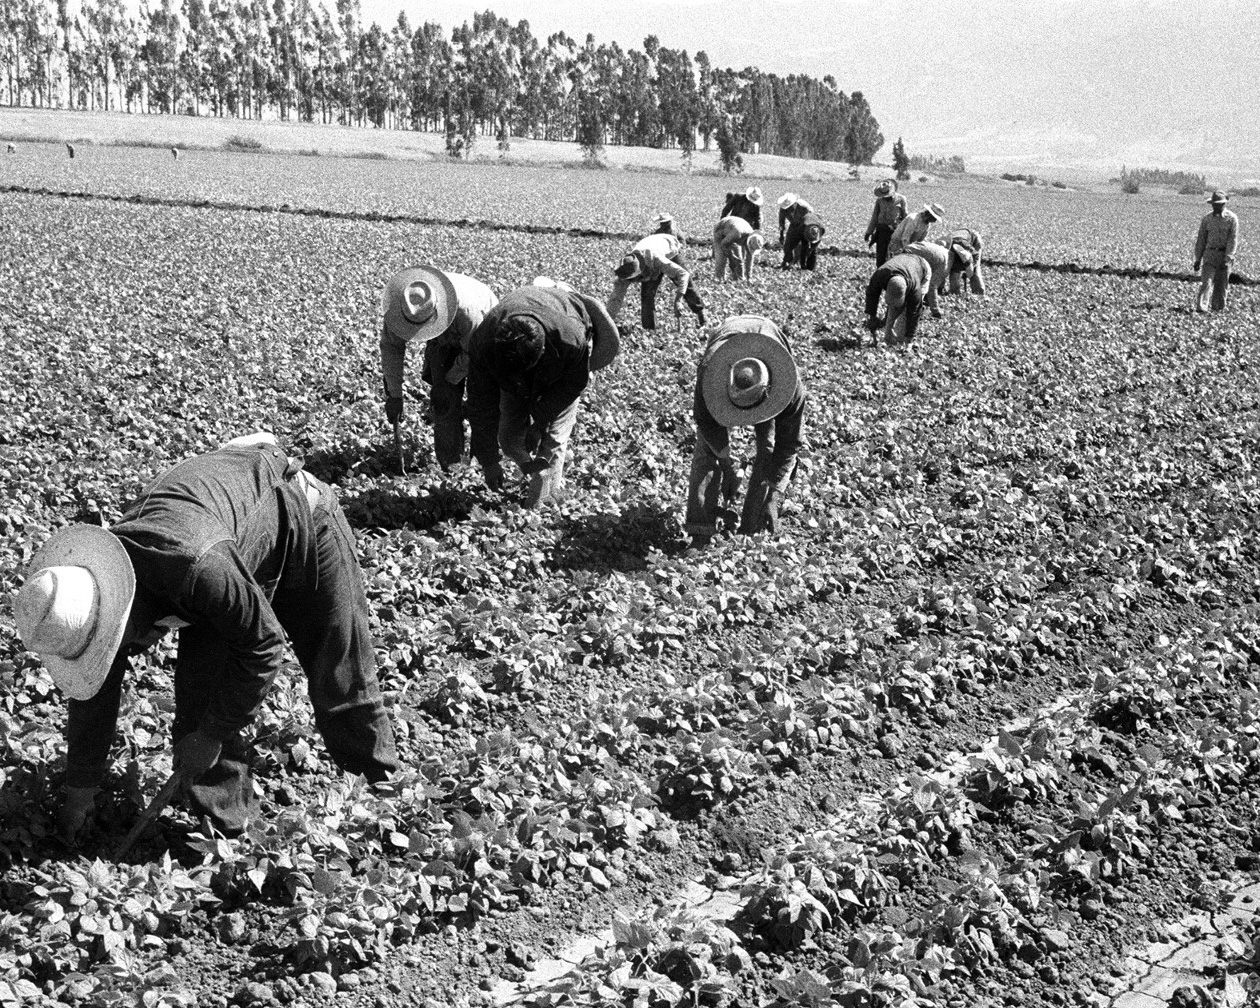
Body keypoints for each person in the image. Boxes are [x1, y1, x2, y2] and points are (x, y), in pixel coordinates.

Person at [14, 434, 400, 838]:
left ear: (123, 612)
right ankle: (229, 836)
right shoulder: (99, 589)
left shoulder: (195, 566)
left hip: (303, 520)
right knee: (203, 700)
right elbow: (94, 693)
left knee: (337, 671)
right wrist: (79, 795)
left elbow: (264, 646)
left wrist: (211, 735)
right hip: (236, 548)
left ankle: (383, 796)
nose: (111, 652)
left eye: (109, 643)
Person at [465, 285, 619, 508]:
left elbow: (572, 386)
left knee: (553, 441)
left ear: (543, 352)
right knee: (508, 438)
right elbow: (480, 405)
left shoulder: (570, 340)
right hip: (509, 372)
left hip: (561, 372)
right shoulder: (484, 343)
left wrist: (541, 422)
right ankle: (529, 469)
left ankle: (540, 507)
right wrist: (489, 462)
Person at [684, 316, 806, 544]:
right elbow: (707, 425)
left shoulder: (791, 390)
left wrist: (773, 496)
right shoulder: (711, 375)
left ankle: (751, 527)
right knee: (706, 452)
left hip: (768, 342)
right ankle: (700, 531)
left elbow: (789, 444)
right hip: (728, 338)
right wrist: (727, 464)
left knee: (768, 449)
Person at [380, 266, 498, 471]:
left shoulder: (469, 312)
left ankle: (483, 464)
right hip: (444, 340)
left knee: (480, 404)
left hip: (483, 338)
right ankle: (452, 467)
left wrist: (450, 379)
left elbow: (474, 353)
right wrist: (394, 395)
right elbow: (391, 348)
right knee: (443, 403)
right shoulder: (401, 308)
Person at [606, 230, 706, 330]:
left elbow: (683, 274)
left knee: (686, 285)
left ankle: (702, 316)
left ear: (639, 273)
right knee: (647, 295)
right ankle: (649, 329)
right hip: (649, 245)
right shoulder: (625, 269)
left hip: (669, 246)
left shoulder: (656, 260)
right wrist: (607, 321)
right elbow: (616, 298)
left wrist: (678, 300)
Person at [864, 252, 932, 343]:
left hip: (922, 267)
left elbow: (914, 312)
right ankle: (888, 338)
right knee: (894, 308)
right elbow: (872, 294)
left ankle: (902, 340)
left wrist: (910, 337)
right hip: (902, 261)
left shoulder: (915, 290)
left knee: (906, 314)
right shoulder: (880, 275)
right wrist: (872, 316)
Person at [1194, 191, 1239, 312]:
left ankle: (1217, 309)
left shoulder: (1232, 219)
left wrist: (1229, 256)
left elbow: (1232, 239)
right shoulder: (1207, 219)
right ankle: (1202, 308)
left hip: (1224, 255)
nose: (1216, 206)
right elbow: (1201, 239)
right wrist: (1198, 258)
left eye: (1219, 204)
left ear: (1224, 204)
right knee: (1206, 282)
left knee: (1221, 285)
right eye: (1214, 204)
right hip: (1209, 254)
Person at [864, 180, 908, 266]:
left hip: (895, 232)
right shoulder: (879, 201)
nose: (885, 197)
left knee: (892, 256)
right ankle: (880, 275)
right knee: (880, 257)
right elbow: (875, 217)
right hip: (881, 231)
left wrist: (905, 233)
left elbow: (905, 216)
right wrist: (869, 232)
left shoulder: (901, 199)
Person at [712, 215, 766, 281]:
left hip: (733, 229)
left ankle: (739, 279)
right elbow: (723, 244)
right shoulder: (737, 234)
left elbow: (749, 258)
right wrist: (730, 257)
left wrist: (749, 277)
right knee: (721, 258)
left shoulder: (752, 237)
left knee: (739, 260)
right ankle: (719, 279)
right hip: (721, 228)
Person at [904, 242, 948, 319]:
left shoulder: (942, 251)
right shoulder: (945, 262)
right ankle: (912, 312)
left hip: (907, 250)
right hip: (911, 257)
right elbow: (932, 286)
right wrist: (936, 311)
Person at [937, 227, 985, 295]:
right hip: (955, 245)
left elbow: (975, 255)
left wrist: (971, 268)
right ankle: (955, 293)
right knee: (954, 273)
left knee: (975, 272)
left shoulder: (963, 244)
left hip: (974, 239)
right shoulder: (940, 248)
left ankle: (979, 293)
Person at [776, 193, 816, 269]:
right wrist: (781, 235)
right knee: (787, 245)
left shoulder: (803, 206)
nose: (788, 208)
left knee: (805, 246)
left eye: (790, 206)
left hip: (805, 225)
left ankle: (805, 265)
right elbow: (781, 222)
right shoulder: (783, 208)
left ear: (794, 203)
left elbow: (811, 215)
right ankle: (787, 262)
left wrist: (808, 230)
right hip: (794, 225)